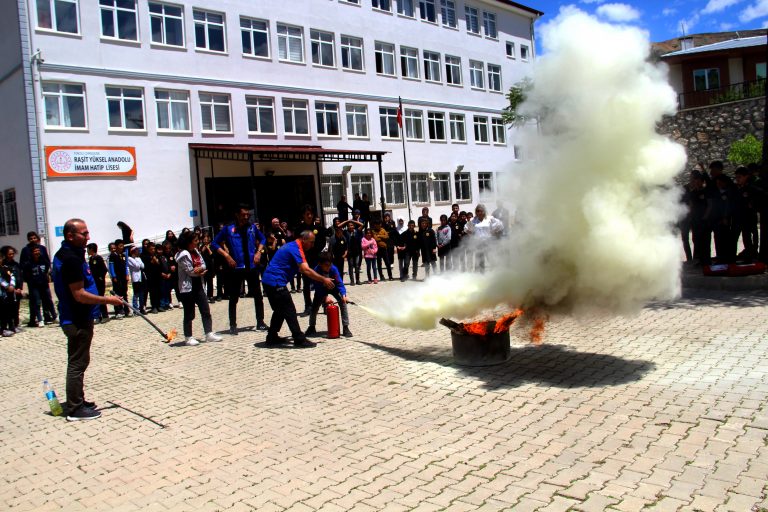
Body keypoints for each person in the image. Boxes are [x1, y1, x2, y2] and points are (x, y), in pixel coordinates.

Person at [52, 218, 124, 421]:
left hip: (78, 316)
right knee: (77, 363)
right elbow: (79, 294)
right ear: (70, 236)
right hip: (76, 318)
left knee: (79, 361)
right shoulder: (71, 259)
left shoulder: (68, 254)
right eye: (84, 234)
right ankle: (75, 409)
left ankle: (78, 399)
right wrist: (107, 300)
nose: (88, 237)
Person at [261, 230, 334, 348]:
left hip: (269, 281)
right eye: (311, 242)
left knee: (280, 310)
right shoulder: (296, 249)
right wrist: (324, 280)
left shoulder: (293, 246)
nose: (312, 245)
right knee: (289, 310)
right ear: (304, 240)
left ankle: (271, 337)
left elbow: (304, 270)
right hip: (275, 282)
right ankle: (299, 339)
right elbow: (305, 270)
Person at [212, 204, 268, 334]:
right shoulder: (228, 229)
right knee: (234, 297)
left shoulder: (252, 227)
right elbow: (214, 243)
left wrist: (259, 252)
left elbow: (263, 238)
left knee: (258, 296)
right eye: (243, 214)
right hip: (236, 267)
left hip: (252, 266)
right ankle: (232, 324)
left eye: (248, 214)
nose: (246, 217)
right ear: (237, 214)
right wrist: (226, 256)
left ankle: (260, 322)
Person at [176, 231, 222, 346]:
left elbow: (203, 264)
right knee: (189, 313)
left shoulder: (196, 251)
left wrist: (200, 269)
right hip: (188, 288)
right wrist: (199, 271)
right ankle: (188, 337)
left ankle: (209, 333)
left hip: (198, 285)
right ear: (189, 242)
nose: (198, 242)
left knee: (205, 310)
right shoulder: (183, 254)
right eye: (195, 240)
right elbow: (190, 271)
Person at [305, 252, 353, 338]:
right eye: (326, 265)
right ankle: (311, 327)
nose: (328, 267)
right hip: (321, 289)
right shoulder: (316, 271)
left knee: (343, 304)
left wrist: (343, 294)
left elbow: (340, 283)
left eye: (330, 265)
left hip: (334, 288)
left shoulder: (333, 269)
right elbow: (317, 286)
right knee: (315, 307)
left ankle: (346, 327)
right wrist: (325, 297)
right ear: (320, 264)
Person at [293, 205, 326, 315]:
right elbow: (296, 244)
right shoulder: (299, 229)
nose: (310, 216)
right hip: (304, 259)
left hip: (316, 258)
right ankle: (308, 306)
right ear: (303, 215)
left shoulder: (318, 228)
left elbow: (322, 242)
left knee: (320, 281)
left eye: (311, 214)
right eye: (307, 214)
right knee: (306, 283)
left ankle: (324, 303)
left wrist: (314, 249)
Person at [464, 204, 503, 272]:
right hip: (478, 243)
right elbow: (466, 227)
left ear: (484, 211)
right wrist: (471, 233)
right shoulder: (473, 220)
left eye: (481, 211)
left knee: (491, 259)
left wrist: (495, 232)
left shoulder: (489, 218)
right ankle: (481, 275)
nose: (480, 212)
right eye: (478, 211)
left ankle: (494, 273)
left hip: (488, 242)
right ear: (476, 212)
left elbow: (500, 225)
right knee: (480, 261)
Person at [87, 243, 110, 323]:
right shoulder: (90, 259)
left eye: (88, 249)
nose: (87, 251)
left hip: (99, 282)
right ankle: (97, 316)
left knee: (101, 298)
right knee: (95, 299)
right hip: (93, 282)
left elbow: (104, 269)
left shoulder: (99, 258)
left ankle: (105, 315)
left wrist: (100, 277)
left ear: (92, 249)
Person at [108, 239, 130, 318]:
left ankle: (127, 310)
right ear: (116, 246)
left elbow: (126, 266)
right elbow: (111, 267)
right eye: (120, 246)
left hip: (123, 277)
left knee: (124, 293)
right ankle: (118, 311)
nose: (122, 247)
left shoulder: (123, 255)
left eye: (122, 246)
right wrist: (114, 276)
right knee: (117, 294)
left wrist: (127, 274)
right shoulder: (113, 256)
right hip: (117, 278)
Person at [127, 246, 147, 315]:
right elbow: (137, 266)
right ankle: (135, 308)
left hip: (140, 278)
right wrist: (138, 262)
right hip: (135, 278)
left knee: (141, 293)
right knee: (136, 294)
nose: (138, 252)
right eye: (137, 251)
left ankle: (142, 308)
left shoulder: (138, 258)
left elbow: (143, 266)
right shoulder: (130, 258)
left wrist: (138, 261)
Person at [345, 220, 363, 285]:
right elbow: (338, 226)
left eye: (352, 225)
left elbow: (362, 225)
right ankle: (352, 281)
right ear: (347, 227)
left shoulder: (357, 231)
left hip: (357, 252)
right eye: (349, 225)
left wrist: (353, 221)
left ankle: (357, 280)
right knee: (351, 266)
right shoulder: (346, 232)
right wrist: (346, 221)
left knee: (357, 266)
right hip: (350, 252)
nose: (351, 227)